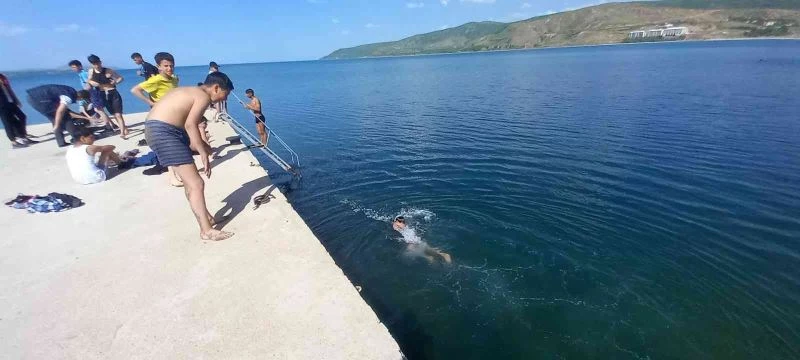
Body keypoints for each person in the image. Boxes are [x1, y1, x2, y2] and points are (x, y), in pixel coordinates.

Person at [143, 72, 235, 241]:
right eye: (225, 94)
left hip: (158, 130)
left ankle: (208, 219)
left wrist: (204, 147)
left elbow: (189, 125)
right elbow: (190, 124)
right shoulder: (203, 96)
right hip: (164, 132)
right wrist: (203, 153)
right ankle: (206, 231)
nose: (225, 99)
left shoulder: (191, 91)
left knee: (189, 182)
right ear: (216, 88)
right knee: (196, 183)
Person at [131, 52, 182, 185]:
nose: (169, 68)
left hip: (174, 116)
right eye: (166, 66)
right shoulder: (156, 80)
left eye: (171, 66)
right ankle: (172, 176)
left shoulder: (174, 79)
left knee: (175, 145)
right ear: (158, 66)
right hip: (162, 117)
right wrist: (151, 103)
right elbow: (135, 90)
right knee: (168, 146)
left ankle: (176, 173)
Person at [25, 84, 92, 147]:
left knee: (59, 116)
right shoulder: (68, 97)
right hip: (38, 99)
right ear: (81, 97)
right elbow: (60, 112)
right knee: (65, 117)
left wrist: (86, 117)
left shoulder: (71, 91)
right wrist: (57, 125)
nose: (79, 101)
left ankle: (62, 142)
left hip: (34, 96)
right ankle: (77, 138)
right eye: (82, 100)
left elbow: (66, 111)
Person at [65, 126, 130, 184]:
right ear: (82, 139)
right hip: (97, 178)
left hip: (79, 180)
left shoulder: (70, 149)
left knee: (95, 159)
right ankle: (120, 163)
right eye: (91, 137)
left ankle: (118, 162)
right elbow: (112, 147)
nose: (94, 139)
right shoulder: (89, 148)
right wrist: (102, 149)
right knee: (107, 151)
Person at [86, 54, 128, 138]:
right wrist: (91, 83)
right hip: (102, 94)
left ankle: (122, 133)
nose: (97, 65)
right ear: (92, 64)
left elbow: (120, 78)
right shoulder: (91, 71)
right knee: (113, 114)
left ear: (100, 62)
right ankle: (123, 128)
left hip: (112, 92)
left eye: (98, 63)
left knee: (118, 114)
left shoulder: (108, 70)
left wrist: (115, 82)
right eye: (94, 64)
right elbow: (88, 81)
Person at [68, 60, 113, 129]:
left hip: (94, 92)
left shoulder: (84, 74)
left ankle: (108, 126)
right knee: (100, 110)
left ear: (80, 66)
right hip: (92, 93)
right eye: (72, 68)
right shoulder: (81, 74)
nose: (73, 69)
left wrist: (84, 92)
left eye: (74, 67)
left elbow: (91, 83)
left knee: (98, 110)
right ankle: (112, 124)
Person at [0, 73, 32, 148]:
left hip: (10, 102)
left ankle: (23, 136)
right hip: (1, 105)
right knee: (8, 122)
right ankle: (13, 142)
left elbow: (9, 89)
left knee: (22, 117)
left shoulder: (2, 76)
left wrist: (16, 100)